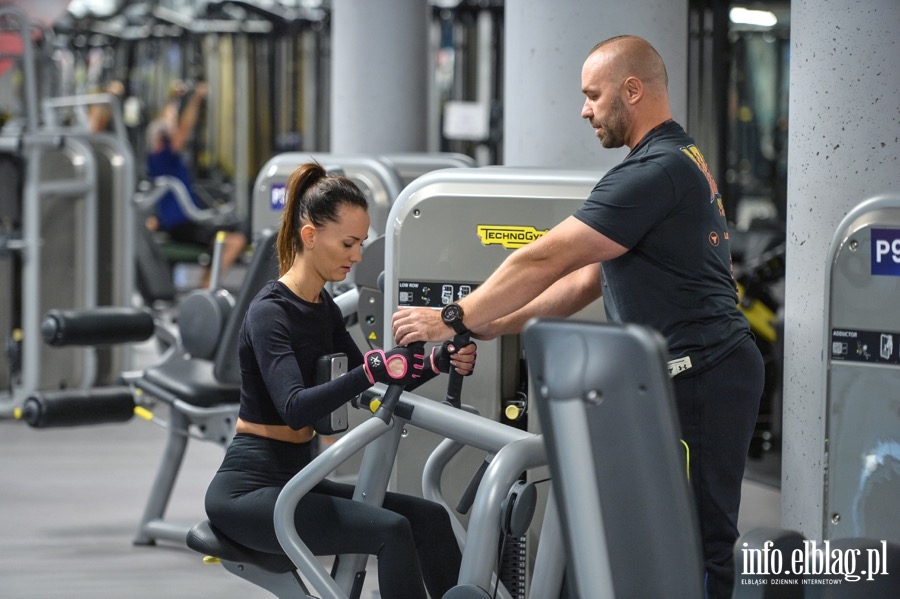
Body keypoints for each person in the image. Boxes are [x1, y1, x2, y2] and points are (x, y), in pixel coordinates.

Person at [392, 35, 764, 599]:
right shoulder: (667, 161)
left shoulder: (655, 171)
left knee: (696, 542)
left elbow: (542, 257)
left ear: (632, 90)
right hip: (681, 375)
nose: (584, 110)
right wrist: (491, 323)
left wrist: (453, 316)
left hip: (702, 378)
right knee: (638, 534)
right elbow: (584, 280)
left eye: (593, 95)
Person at [204, 162, 476, 599]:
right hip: (249, 490)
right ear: (310, 236)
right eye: (348, 243)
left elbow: (371, 384)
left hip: (296, 478)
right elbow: (296, 406)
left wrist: (441, 361)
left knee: (429, 518)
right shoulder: (269, 312)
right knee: (391, 529)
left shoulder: (322, 308)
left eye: (361, 244)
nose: (357, 256)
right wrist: (369, 369)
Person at [145, 80, 248, 288]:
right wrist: (197, 98)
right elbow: (184, 128)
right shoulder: (164, 156)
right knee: (235, 240)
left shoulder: (158, 157)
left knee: (229, 232)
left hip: (187, 223)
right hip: (182, 224)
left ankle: (205, 286)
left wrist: (174, 97)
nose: (174, 132)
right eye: (170, 132)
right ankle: (206, 290)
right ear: (163, 139)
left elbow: (167, 122)